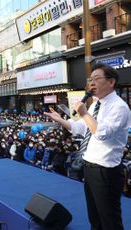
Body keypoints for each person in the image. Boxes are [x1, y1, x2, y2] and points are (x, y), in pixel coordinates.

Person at [45, 63, 131, 230]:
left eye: (97, 79)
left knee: (110, 220)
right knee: (95, 218)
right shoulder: (95, 104)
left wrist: (84, 113)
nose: (92, 83)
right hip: (89, 167)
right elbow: (82, 129)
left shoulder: (120, 107)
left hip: (106, 171)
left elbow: (101, 133)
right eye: (90, 80)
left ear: (111, 82)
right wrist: (60, 120)